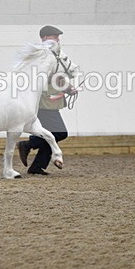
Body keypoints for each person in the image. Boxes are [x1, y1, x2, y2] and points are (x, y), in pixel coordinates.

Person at [17, 25, 80, 175]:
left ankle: (37, 166)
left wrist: (68, 88)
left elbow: (56, 76)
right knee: (60, 133)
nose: (58, 39)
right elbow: (49, 76)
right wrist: (67, 87)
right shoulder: (44, 55)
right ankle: (29, 144)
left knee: (53, 133)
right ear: (45, 38)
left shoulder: (51, 54)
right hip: (43, 100)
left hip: (48, 100)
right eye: (54, 36)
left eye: (58, 36)